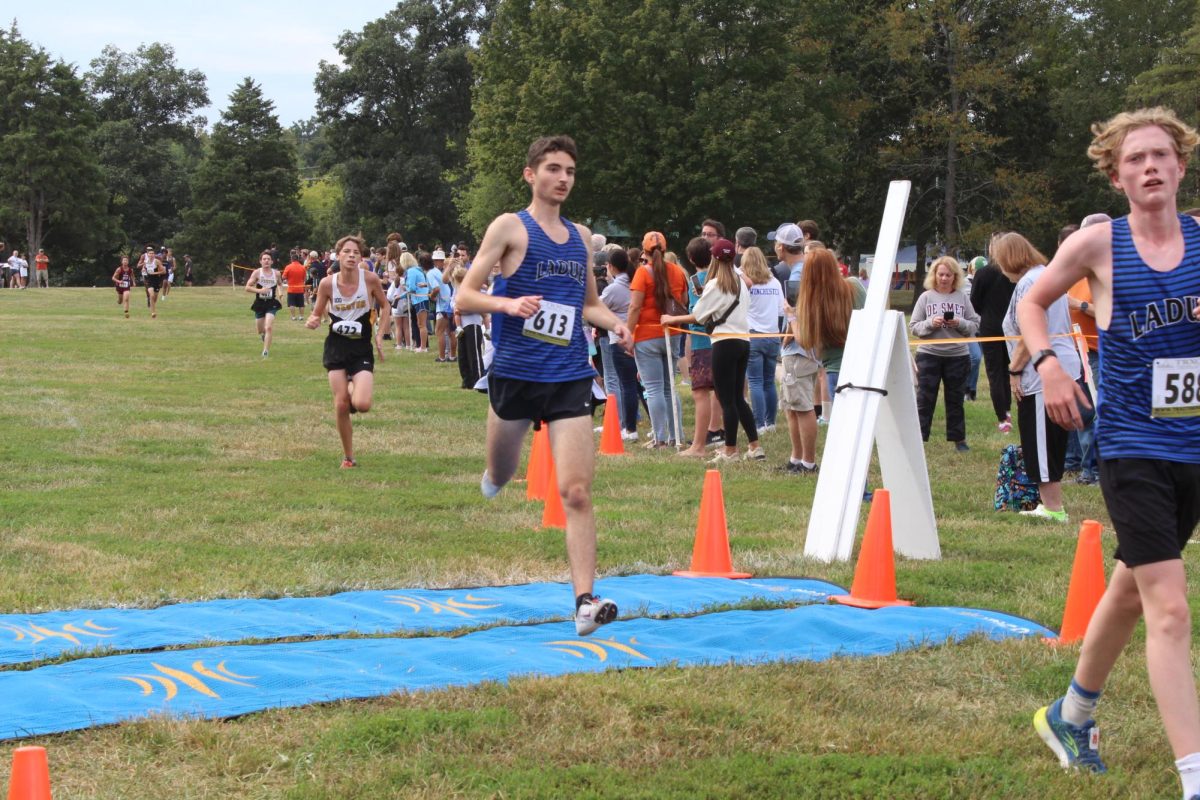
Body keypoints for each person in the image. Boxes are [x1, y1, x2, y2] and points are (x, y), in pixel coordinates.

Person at [1019, 109, 1200, 798]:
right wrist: (1050, 365)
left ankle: (1072, 715)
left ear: (1181, 166)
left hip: (1194, 442)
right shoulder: (1099, 244)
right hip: (1131, 443)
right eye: (1135, 159)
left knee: (1131, 587)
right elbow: (1034, 303)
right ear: (1116, 173)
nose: (1150, 167)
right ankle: (1194, 776)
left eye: (1161, 155)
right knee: (1170, 608)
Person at [455, 135, 632, 636]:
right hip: (514, 374)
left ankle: (584, 602)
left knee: (575, 491)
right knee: (502, 471)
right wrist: (507, 304)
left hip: (568, 376)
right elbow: (467, 294)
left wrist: (613, 324)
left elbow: (587, 304)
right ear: (531, 174)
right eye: (553, 168)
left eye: (571, 171)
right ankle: (492, 474)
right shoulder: (511, 226)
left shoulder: (581, 236)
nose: (563, 178)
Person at [996, 232, 1080, 521]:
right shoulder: (1046, 275)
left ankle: (1053, 508)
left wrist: (1014, 371)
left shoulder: (1029, 283)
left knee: (1040, 439)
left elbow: (1027, 334)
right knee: (1051, 438)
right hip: (1061, 365)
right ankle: (1049, 502)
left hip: (1040, 371)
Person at [662, 237, 762, 463]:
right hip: (743, 341)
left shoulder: (715, 284)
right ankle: (755, 446)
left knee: (726, 399)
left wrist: (671, 319)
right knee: (738, 398)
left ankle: (730, 449)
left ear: (714, 259)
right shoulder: (740, 283)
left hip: (723, 342)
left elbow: (698, 315)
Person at [306, 233, 390, 468]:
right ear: (338, 255)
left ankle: (353, 383)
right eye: (347, 252)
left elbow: (385, 305)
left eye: (356, 253)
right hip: (336, 347)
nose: (352, 256)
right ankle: (349, 457)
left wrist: (381, 335)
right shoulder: (327, 283)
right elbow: (317, 311)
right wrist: (313, 320)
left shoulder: (370, 279)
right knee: (341, 404)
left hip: (361, 348)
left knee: (362, 404)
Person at [909, 256, 981, 452]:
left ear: (955, 277)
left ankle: (959, 440)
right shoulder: (925, 297)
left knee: (955, 399)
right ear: (934, 275)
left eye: (948, 275)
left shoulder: (962, 297)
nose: (944, 278)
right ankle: (919, 440)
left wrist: (959, 323)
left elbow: (974, 324)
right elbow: (914, 327)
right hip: (929, 354)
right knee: (924, 399)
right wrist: (931, 323)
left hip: (957, 356)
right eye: (940, 274)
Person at [793, 246, 867, 433]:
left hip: (834, 367)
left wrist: (791, 318)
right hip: (863, 362)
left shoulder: (811, 302)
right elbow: (871, 318)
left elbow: (806, 341)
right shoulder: (854, 286)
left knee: (845, 426)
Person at [627, 231, 688, 448]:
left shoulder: (642, 274)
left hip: (646, 335)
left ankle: (660, 438)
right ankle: (676, 435)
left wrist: (628, 332)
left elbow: (635, 307)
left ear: (644, 251)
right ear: (665, 249)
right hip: (672, 333)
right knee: (669, 388)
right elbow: (684, 301)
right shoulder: (678, 272)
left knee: (653, 389)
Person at [1062, 213, 1110, 485]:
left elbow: (1112, 313)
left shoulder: (1109, 271)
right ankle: (1080, 465)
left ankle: (1093, 472)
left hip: (1100, 352)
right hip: (1076, 351)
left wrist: (1078, 306)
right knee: (1080, 412)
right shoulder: (1078, 270)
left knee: (1095, 413)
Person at [772, 223, 821, 474]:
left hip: (800, 348)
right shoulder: (802, 270)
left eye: (776, 243)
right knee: (792, 405)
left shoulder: (799, 273)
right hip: (800, 347)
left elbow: (800, 311)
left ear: (782, 246)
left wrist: (790, 332)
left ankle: (808, 462)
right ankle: (796, 458)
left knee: (801, 406)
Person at [674, 237, 725, 457]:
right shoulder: (722, 278)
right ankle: (722, 434)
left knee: (700, 393)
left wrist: (674, 319)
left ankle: (698, 445)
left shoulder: (697, 281)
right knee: (722, 392)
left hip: (702, 342)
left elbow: (698, 315)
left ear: (691, 259)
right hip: (723, 340)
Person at [970, 240, 1017, 432]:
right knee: (1008, 370)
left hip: (991, 327)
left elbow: (975, 301)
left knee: (995, 373)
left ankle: (1003, 417)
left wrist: (987, 314)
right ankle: (1007, 410)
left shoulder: (983, 273)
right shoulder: (1014, 272)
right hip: (1010, 326)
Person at [742, 246, 786, 434]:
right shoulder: (774, 282)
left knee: (755, 382)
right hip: (772, 335)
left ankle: (758, 424)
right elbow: (781, 310)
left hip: (753, 334)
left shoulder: (746, 283)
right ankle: (771, 422)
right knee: (769, 381)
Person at [599, 247, 641, 441]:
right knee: (639, 385)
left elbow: (596, 307)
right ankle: (633, 424)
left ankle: (629, 428)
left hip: (619, 339)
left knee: (627, 385)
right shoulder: (633, 282)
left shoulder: (614, 288)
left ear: (611, 267)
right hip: (638, 337)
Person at [246, 251, 283, 357]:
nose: (266, 261)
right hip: (259, 303)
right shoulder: (257, 273)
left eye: (268, 259)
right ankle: (263, 335)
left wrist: (280, 292)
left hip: (271, 303)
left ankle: (265, 351)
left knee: (269, 327)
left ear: (272, 261)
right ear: (260, 261)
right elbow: (247, 288)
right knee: (260, 330)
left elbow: (280, 284)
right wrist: (260, 291)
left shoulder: (276, 273)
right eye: (264, 259)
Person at [406, 251, 432, 352]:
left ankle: (423, 347)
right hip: (422, 298)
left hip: (420, 299)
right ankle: (423, 346)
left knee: (421, 325)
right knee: (421, 324)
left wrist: (406, 288)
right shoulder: (419, 271)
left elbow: (412, 287)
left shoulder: (412, 271)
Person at [282, 251, 308, 321]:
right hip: (300, 289)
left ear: (291, 259)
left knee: (291, 303)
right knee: (301, 304)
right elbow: (305, 278)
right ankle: (301, 316)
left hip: (291, 289)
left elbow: (283, 277)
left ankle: (293, 317)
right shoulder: (302, 267)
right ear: (298, 259)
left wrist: (287, 279)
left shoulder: (288, 267)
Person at [140, 247, 165, 317]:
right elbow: (143, 269)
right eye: (150, 253)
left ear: (154, 255)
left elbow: (163, 271)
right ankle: (153, 312)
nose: (151, 254)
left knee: (155, 298)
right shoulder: (145, 262)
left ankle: (152, 306)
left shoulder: (157, 261)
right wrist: (143, 271)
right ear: (147, 255)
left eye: (152, 253)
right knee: (151, 295)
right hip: (149, 280)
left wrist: (154, 273)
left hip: (156, 280)